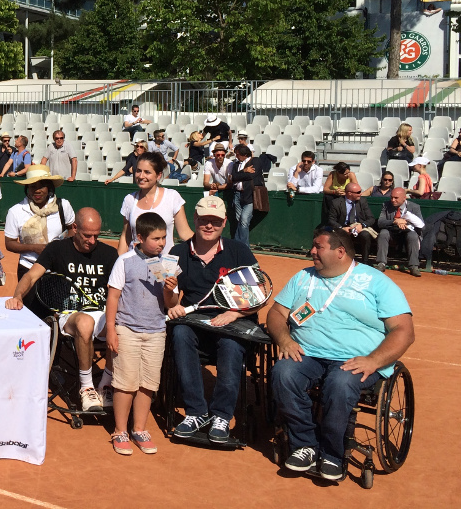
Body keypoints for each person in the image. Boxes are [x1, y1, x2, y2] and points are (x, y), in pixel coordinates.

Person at [268, 227, 414, 480]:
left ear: (340, 252)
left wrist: (374, 360)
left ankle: (332, 454)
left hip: (355, 359)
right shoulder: (303, 277)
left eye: (318, 246)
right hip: (308, 353)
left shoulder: (375, 281)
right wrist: (284, 339)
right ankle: (304, 445)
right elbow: (276, 313)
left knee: (340, 383)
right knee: (283, 373)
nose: (311, 251)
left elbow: (404, 330)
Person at [166, 196, 260, 443]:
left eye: (215, 222)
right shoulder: (177, 253)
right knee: (180, 333)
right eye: (204, 220)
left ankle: (221, 415)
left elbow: (258, 298)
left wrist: (234, 313)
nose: (209, 226)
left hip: (233, 321)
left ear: (224, 222)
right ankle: (196, 412)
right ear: (194, 219)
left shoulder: (238, 251)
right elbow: (171, 301)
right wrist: (173, 304)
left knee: (230, 345)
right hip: (193, 321)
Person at [6, 207, 119, 413]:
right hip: (70, 315)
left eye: (96, 235)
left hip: (101, 314)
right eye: (87, 235)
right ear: (74, 228)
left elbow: (120, 289)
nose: (92, 241)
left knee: (122, 322)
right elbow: (31, 276)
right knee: (85, 322)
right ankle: (86, 388)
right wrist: (17, 296)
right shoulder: (57, 249)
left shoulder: (109, 254)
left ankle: (106, 384)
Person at [106, 212, 179, 455]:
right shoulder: (124, 261)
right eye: (156, 238)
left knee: (147, 384)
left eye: (164, 238)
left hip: (156, 331)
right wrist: (111, 331)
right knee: (125, 383)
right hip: (127, 329)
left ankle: (139, 429)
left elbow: (170, 303)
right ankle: (120, 431)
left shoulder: (168, 264)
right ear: (139, 237)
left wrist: (170, 289)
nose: (161, 243)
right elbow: (113, 297)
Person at [3, 164, 76, 281]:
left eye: (41, 186)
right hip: (28, 268)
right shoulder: (16, 211)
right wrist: (34, 248)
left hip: (58, 268)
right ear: (27, 188)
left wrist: (62, 248)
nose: (37, 190)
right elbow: (10, 243)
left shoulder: (63, 206)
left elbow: (72, 230)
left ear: (49, 187)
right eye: (33, 186)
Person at [117, 151, 192, 258]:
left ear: (159, 175)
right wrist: (120, 261)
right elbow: (126, 236)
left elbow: (185, 233)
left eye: (147, 172)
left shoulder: (172, 197)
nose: (141, 176)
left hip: (164, 266)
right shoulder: (129, 199)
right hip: (135, 264)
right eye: (138, 171)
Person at [375, 187, 424, 276]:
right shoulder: (386, 205)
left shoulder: (414, 207)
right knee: (383, 233)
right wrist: (395, 221)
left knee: (413, 235)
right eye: (391, 197)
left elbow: (421, 225)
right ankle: (381, 263)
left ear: (404, 198)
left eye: (396, 198)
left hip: (407, 232)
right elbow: (380, 222)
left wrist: (406, 222)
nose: (393, 200)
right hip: (392, 232)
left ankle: (414, 266)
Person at [325, 182, 377, 265]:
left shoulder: (362, 201)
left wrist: (362, 225)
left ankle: (365, 261)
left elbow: (371, 219)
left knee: (365, 235)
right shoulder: (336, 202)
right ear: (349, 193)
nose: (361, 194)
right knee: (338, 235)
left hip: (358, 227)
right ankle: (338, 260)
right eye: (358, 192)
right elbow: (331, 220)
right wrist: (341, 228)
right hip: (343, 227)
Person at [226, 143, 264, 245]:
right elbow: (232, 177)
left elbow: (251, 176)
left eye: (237, 154)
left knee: (243, 220)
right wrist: (244, 171)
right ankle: (240, 246)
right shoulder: (236, 164)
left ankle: (242, 246)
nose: (236, 156)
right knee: (240, 220)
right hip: (238, 194)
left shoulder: (255, 161)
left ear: (244, 154)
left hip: (250, 195)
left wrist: (239, 175)